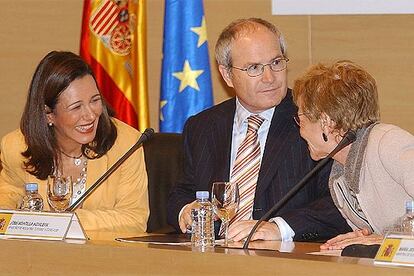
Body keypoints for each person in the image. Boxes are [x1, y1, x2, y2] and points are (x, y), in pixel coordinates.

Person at [167, 18, 350, 242]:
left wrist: (279, 228)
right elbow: (182, 191)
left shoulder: (317, 118)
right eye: (254, 68)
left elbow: (343, 201)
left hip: (284, 260)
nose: (269, 77)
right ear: (227, 75)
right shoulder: (202, 126)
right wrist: (185, 210)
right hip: (213, 258)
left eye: (276, 63)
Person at [0, 51, 149, 235]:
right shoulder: (17, 147)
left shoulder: (126, 143)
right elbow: (5, 208)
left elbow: (134, 219)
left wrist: (64, 222)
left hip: (103, 257)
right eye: (76, 107)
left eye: (95, 101)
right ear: (49, 114)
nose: (90, 115)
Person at [292, 60, 414, 249]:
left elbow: (389, 240)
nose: (300, 129)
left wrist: (389, 240)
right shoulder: (339, 175)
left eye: (301, 118)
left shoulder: (388, 142)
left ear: (326, 122)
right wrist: (361, 239)